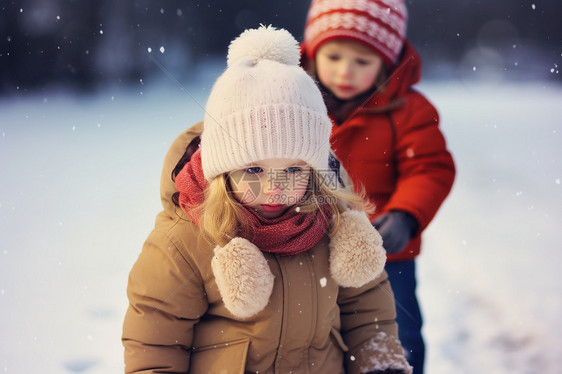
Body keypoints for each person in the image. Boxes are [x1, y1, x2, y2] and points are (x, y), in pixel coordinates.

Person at [122, 26, 413, 374]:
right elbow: (155, 342)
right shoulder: (185, 243)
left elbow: (369, 313)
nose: (275, 187)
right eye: (255, 169)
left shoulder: (334, 224)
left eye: (293, 170)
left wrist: (379, 364)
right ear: (222, 170)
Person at [301, 1, 456, 373]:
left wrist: (405, 215)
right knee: (310, 332)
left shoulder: (409, 111)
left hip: (385, 253)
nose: (344, 71)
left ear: (386, 62)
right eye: (334, 55)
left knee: (395, 335)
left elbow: (429, 168)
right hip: (307, 246)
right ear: (311, 52)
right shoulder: (296, 105)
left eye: (362, 61)